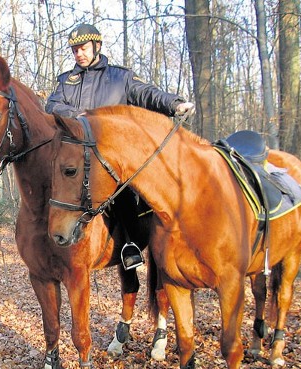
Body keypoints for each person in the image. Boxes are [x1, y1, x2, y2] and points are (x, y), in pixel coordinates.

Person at [45, 23, 195, 269]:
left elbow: (148, 94)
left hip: (109, 157)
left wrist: (175, 104)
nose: (78, 54)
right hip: (76, 154)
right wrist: (79, 114)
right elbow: (52, 106)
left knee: (124, 187)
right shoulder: (66, 82)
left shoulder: (120, 77)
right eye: (74, 50)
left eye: (83, 48)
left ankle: (130, 245)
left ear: (97, 46)